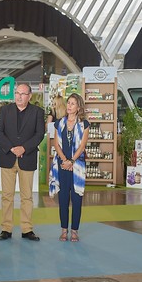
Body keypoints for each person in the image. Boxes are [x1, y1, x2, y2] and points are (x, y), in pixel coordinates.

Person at [0, 83, 45, 241]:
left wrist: (24, 148)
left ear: (30, 96)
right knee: (6, 196)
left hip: (27, 157)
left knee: (27, 197)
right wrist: (11, 148)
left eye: (23, 94)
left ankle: (27, 229)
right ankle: (6, 229)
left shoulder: (37, 112)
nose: (19, 96)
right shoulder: (5, 110)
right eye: (17, 93)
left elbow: (39, 134)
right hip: (7, 157)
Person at [49, 93, 89, 242]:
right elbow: (56, 144)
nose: (70, 106)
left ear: (78, 107)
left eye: (73, 103)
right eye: (69, 103)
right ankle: (64, 230)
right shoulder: (59, 123)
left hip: (77, 166)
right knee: (63, 199)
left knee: (77, 199)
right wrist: (65, 160)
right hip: (62, 165)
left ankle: (75, 231)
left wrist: (72, 161)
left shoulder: (84, 124)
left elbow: (82, 145)